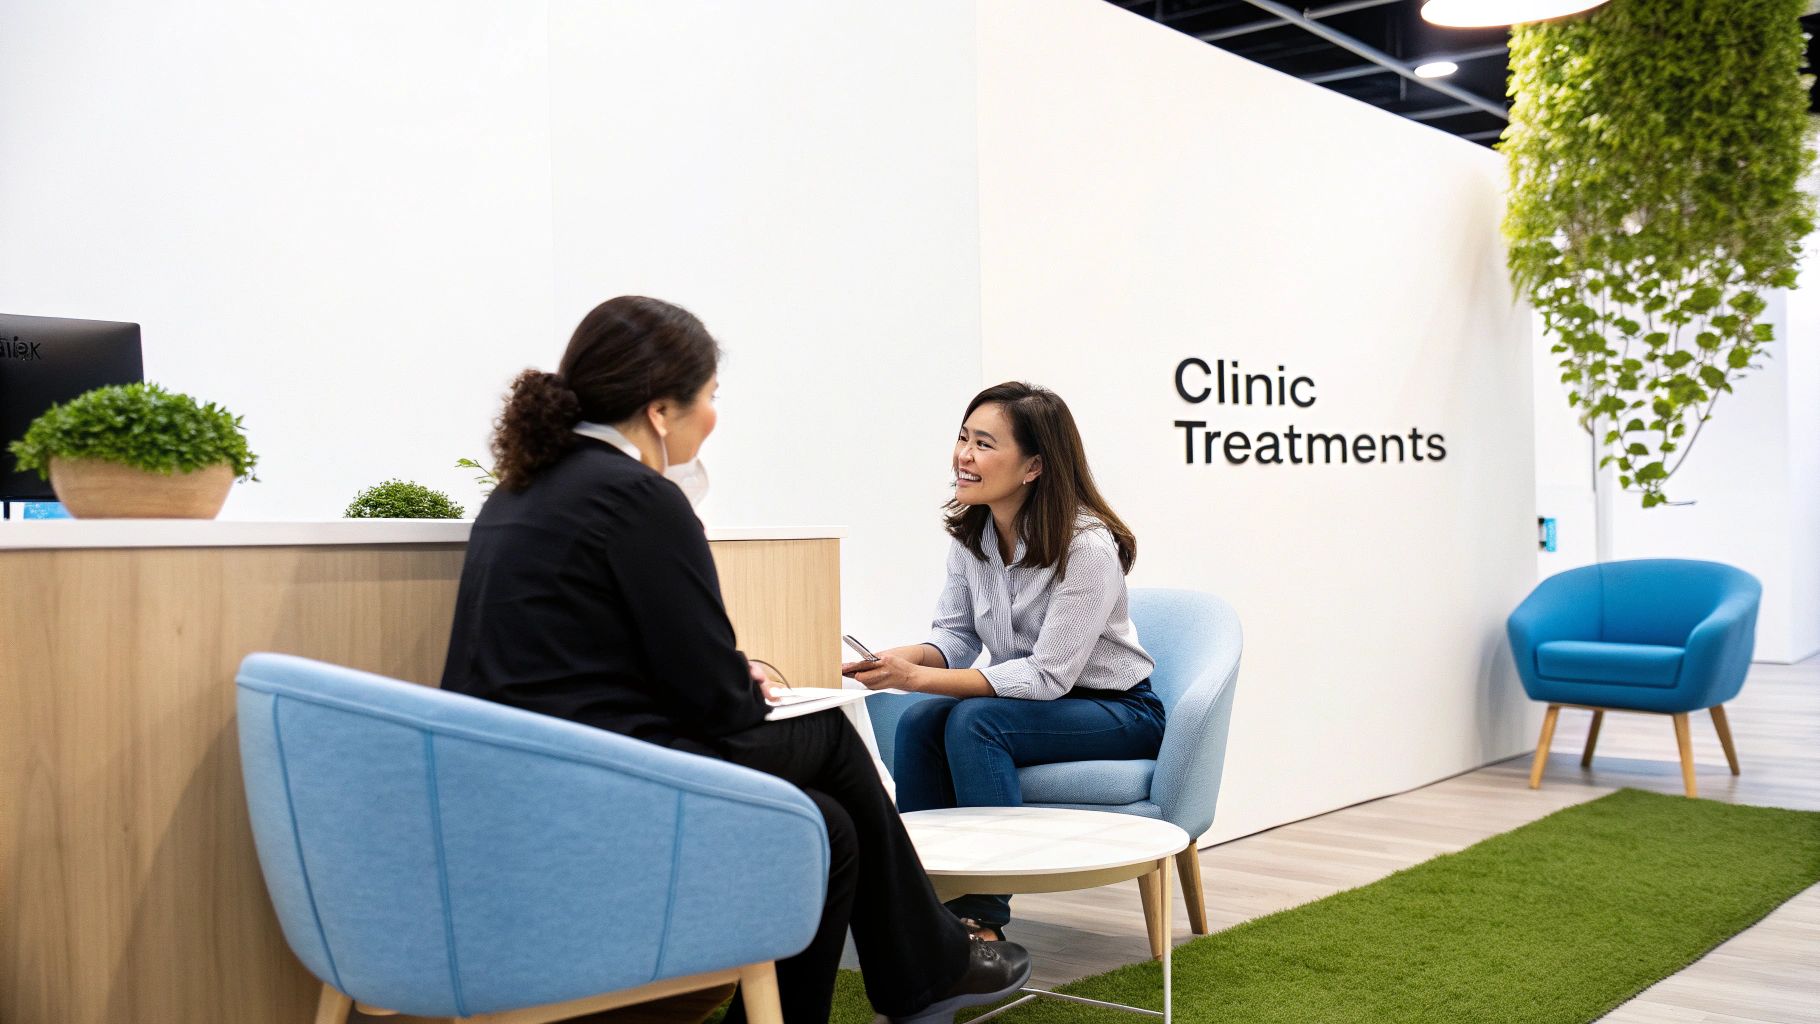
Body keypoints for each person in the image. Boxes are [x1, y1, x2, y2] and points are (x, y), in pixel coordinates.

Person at [441, 296, 1030, 1024]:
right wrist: (734, 678)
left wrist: (718, 675)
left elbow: (583, 660)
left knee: (827, 827)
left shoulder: (522, 489)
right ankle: (929, 967)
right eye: (711, 398)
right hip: (602, 784)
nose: (713, 418)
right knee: (831, 734)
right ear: (662, 410)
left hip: (527, 786)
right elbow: (719, 706)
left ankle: (903, 977)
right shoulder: (636, 497)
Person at [842, 382, 1164, 943]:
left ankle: (981, 920)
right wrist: (898, 660)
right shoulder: (975, 536)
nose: (963, 456)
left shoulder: (1087, 546)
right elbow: (956, 637)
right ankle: (923, 902)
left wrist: (918, 678)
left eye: (984, 444)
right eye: (963, 438)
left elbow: (1048, 676)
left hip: (1117, 712)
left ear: (1033, 466)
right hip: (1031, 707)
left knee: (975, 722)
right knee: (920, 721)